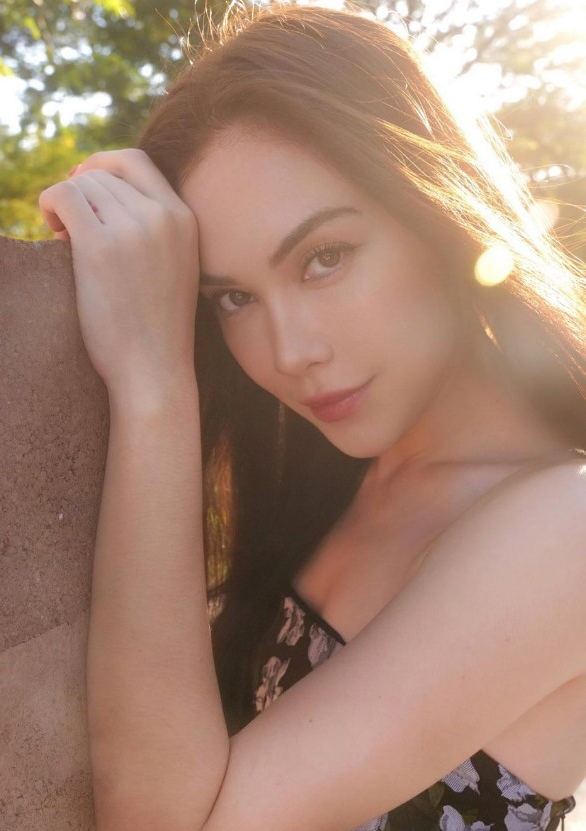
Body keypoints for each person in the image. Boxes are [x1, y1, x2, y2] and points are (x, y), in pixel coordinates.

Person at [38, 3, 586, 830]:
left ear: (438, 214)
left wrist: (153, 383)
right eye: (232, 297)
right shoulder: (323, 473)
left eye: (324, 258)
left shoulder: (563, 527)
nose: (288, 351)